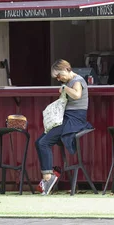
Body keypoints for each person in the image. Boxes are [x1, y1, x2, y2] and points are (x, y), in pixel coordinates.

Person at [35, 59, 92, 195]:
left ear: (66, 69)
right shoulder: (68, 83)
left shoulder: (77, 80)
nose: (59, 79)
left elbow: (77, 95)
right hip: (66, 118)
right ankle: (48, 175)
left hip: (74, 119)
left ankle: (48, 177)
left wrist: (65, 88)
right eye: (57, 77)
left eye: (59, 75)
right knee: (39, 142)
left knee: (43, 142)